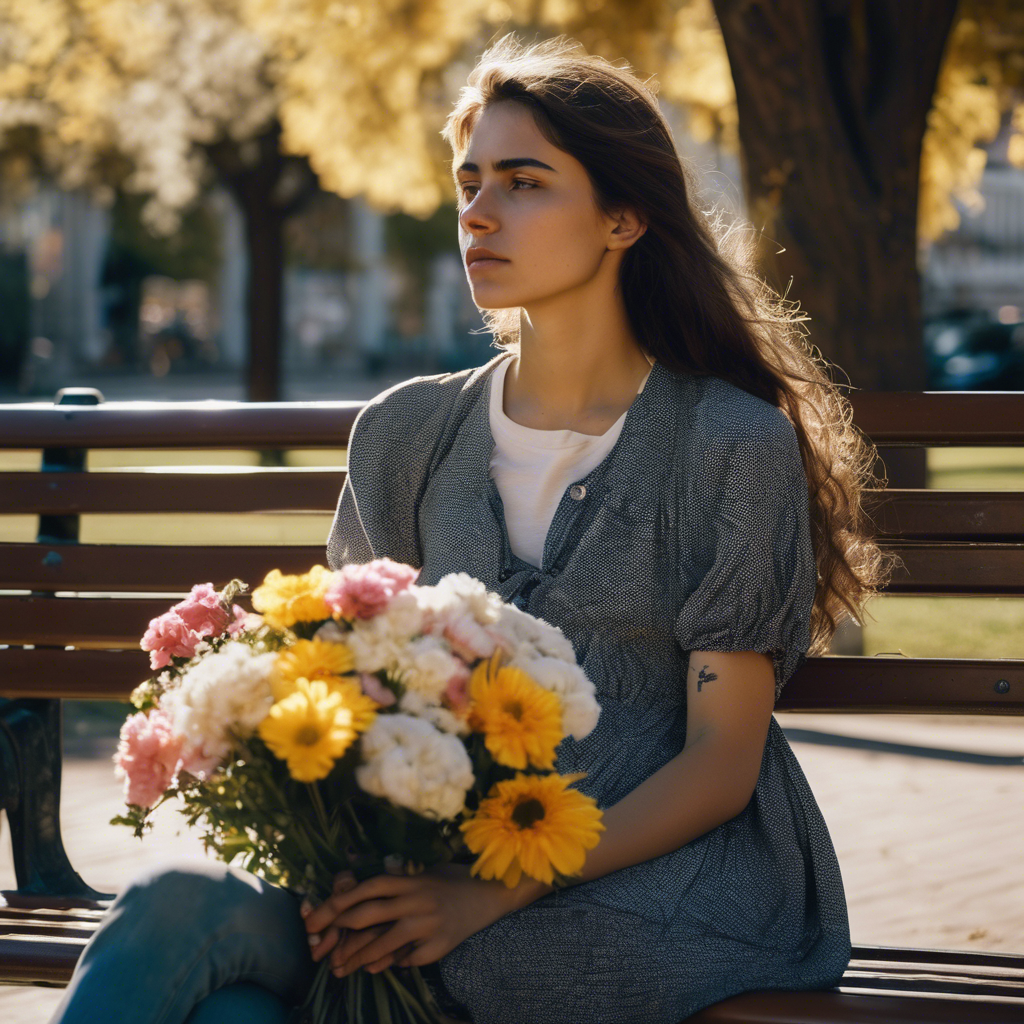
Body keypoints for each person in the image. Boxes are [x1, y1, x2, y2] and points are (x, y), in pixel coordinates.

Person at [50, 32, 894, 1024]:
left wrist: (488, 891)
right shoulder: (405, 432)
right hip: (419, 871)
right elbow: (347, 686)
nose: (479, 213)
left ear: (623, 217)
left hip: (658, 879)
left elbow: (717, 761)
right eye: (469, 180)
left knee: (453, 975)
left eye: (525, 182)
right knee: (173, 911)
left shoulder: (727, 442)